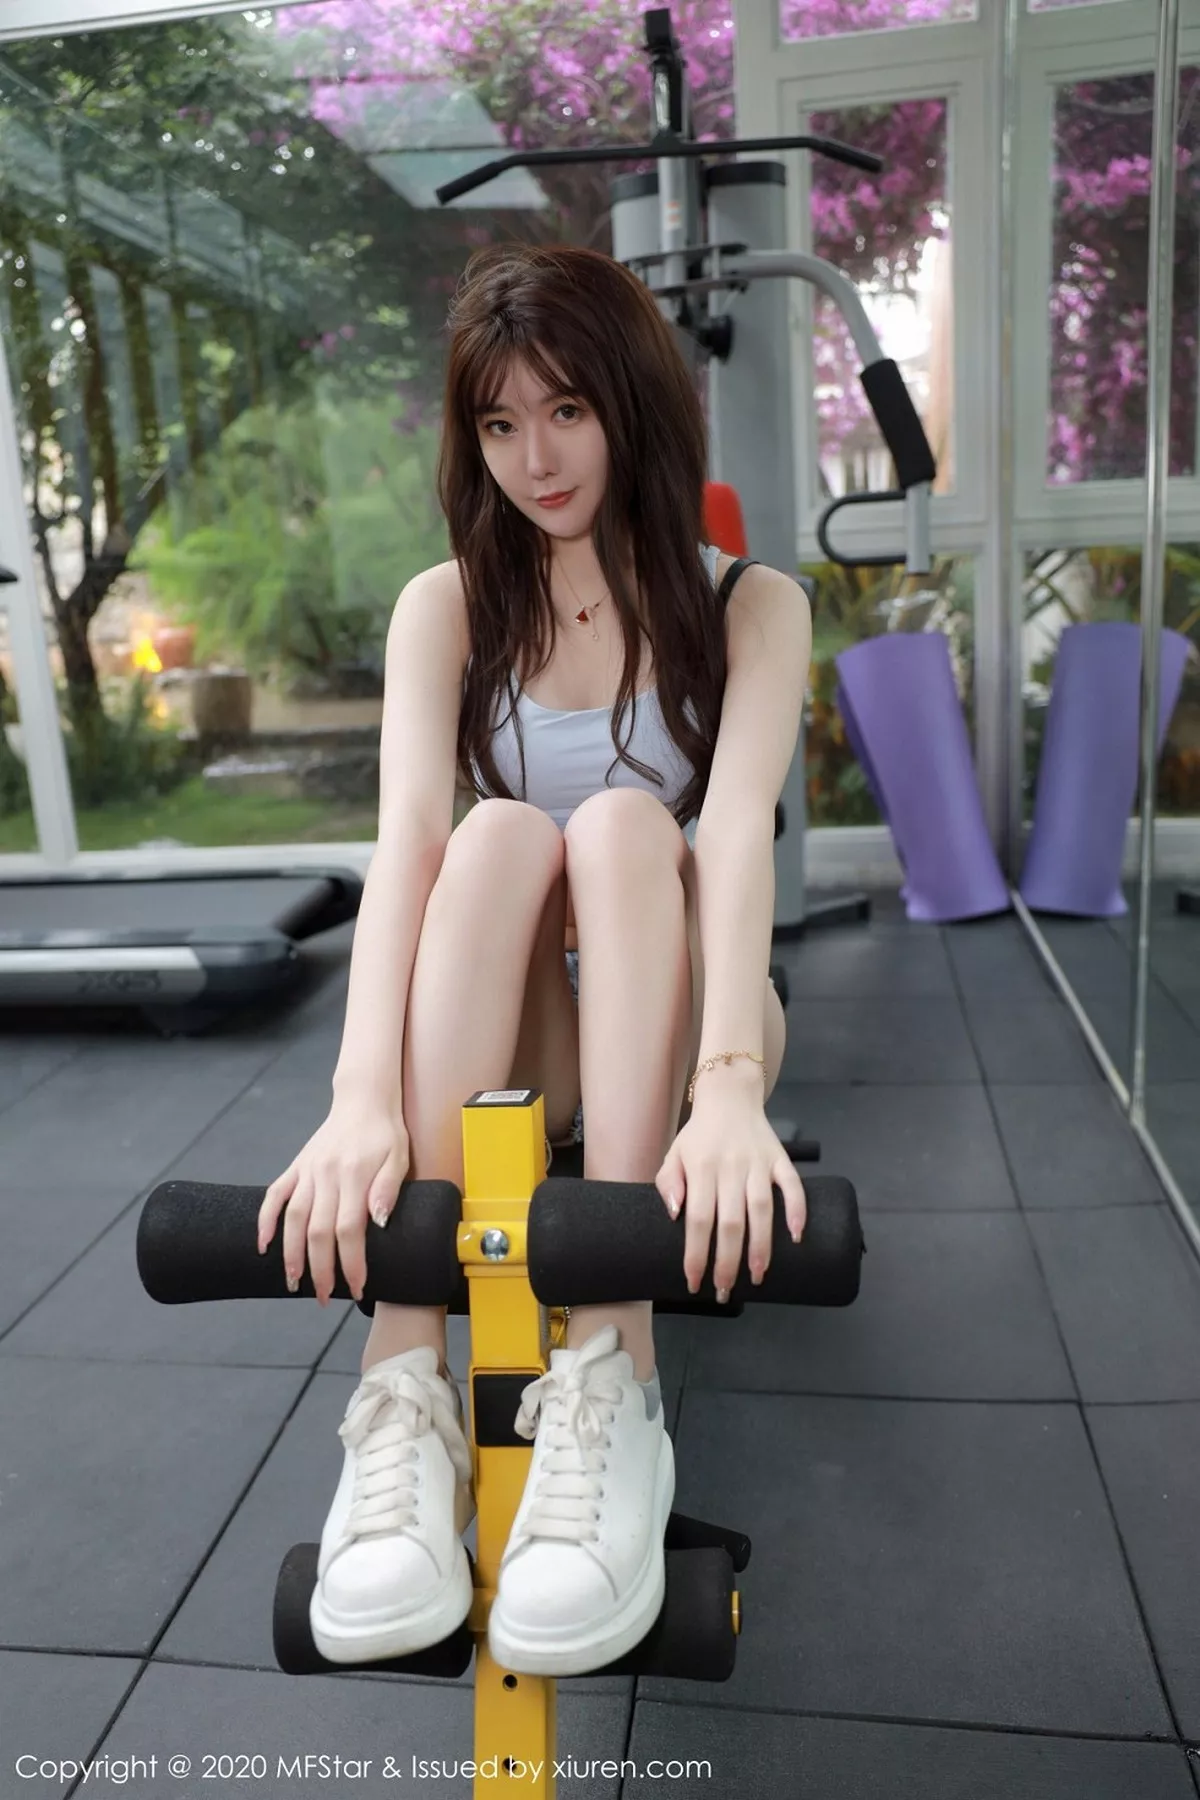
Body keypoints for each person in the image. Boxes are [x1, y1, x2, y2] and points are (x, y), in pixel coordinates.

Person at [256, 243, 811, 1678]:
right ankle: (404, 1390)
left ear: (631, 402)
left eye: (566, 409)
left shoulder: (750, 605)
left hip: (689, 1012)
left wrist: (731, 1089)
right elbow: (406, 850)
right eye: (500, 424)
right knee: (497, 835)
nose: (536, 459)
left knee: (626, 824)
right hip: (531, 1028)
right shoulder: (446, 607)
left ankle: (615, 1376)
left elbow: (733, 835)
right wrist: (357, 1101)